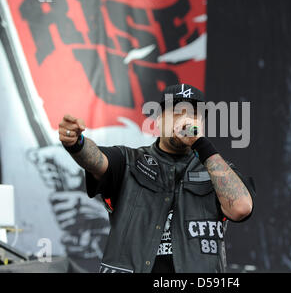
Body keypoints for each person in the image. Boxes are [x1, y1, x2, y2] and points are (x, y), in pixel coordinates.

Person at [58, 83, 256, 273]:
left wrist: (201, 145)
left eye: (193, 114)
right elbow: (97, 160)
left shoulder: (217, 170)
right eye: (176, 112)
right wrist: (77, 143)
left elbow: (241, 208)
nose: (184, 120)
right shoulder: (128, 161)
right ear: (158, 120)